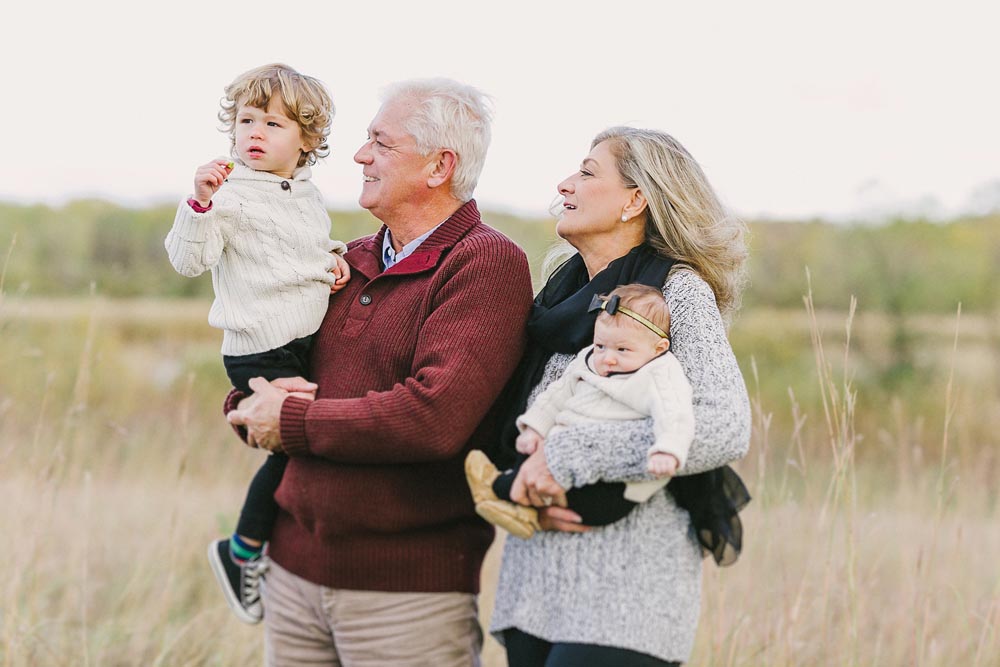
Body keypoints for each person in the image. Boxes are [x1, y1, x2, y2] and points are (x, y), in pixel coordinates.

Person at [224, 78, 533, 665]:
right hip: (290, 577)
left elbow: (432, 418)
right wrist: (248, 403)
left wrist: (288, 419)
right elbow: (276, 359)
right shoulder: (349, 259)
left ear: (439, 166)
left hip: (406, 599)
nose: (360, 155)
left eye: (380, 143)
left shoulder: (486, 263)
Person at [488, 127, 752, 666]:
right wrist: (518, 488)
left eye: (586, 173)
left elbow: (725, 424)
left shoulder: (677, 292)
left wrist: (568, 459)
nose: (565, 185)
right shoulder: (558, 297)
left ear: (636, 200)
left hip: (626, 599)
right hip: (535, 584)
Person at [164, 63, 350, 625]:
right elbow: (187, 259)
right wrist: (197, 204)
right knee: (294, 443)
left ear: (307, 140)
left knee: (306, 446)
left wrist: (332, 261)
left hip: (300, 343)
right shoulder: (228, 195)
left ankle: (284, 550)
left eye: (273, 124)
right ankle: (242, 549)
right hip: (262, 350)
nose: (255, 133)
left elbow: (294, 252)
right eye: (247, 121)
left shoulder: (306, 196)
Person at [465, 283, 695, 539]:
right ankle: (521, 508)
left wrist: (668, 449)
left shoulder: (659, 373)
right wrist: (534, 429)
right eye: (601, 346)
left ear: (659, 348)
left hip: (610, 491)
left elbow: (675, 412)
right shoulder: (588, 360)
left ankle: (498, 490)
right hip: (560, 459)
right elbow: (555, 396)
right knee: (530, 451)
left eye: (623, 350)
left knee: (539, 470)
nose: (607, 358)